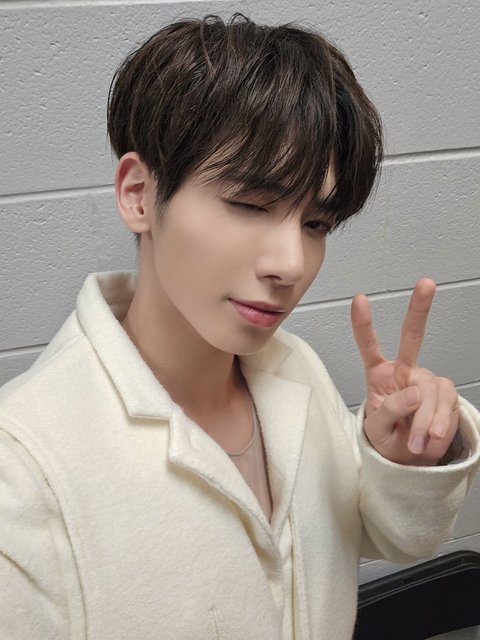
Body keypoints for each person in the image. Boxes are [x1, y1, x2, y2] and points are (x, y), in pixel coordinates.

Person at [0, 13, 479, 640]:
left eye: (316, 224)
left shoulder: (294, 370)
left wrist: (400, 460)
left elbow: (383, 539)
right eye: (249, 204)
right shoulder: (24, 472)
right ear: (139, 195)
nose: (292, 264)